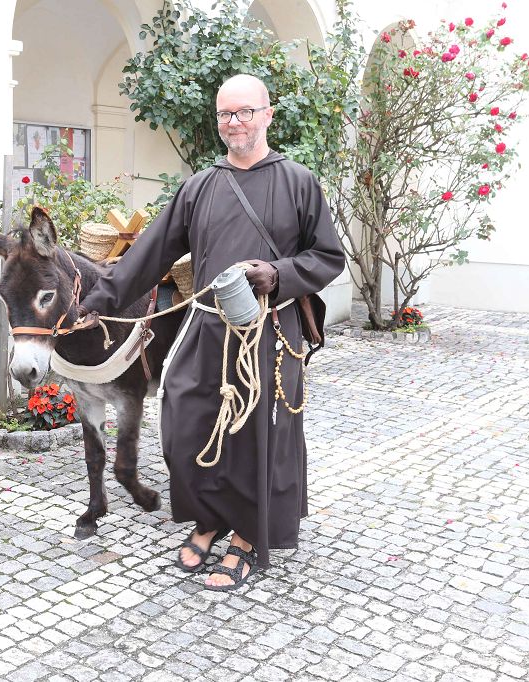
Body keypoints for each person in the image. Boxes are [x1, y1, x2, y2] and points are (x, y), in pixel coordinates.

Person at [78, 74, 345, 590]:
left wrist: (279, 274)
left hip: (267, 334)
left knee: (252, 435)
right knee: (185, 423)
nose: (235, 123)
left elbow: (327, 255)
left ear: (268, 114)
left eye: (245, 112)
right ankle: (209, 519)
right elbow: (149, 253)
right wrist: (96, 301)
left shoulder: (298, 181)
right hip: (205, 330)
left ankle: (247, 536)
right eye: (225, 114)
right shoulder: (200, 187)